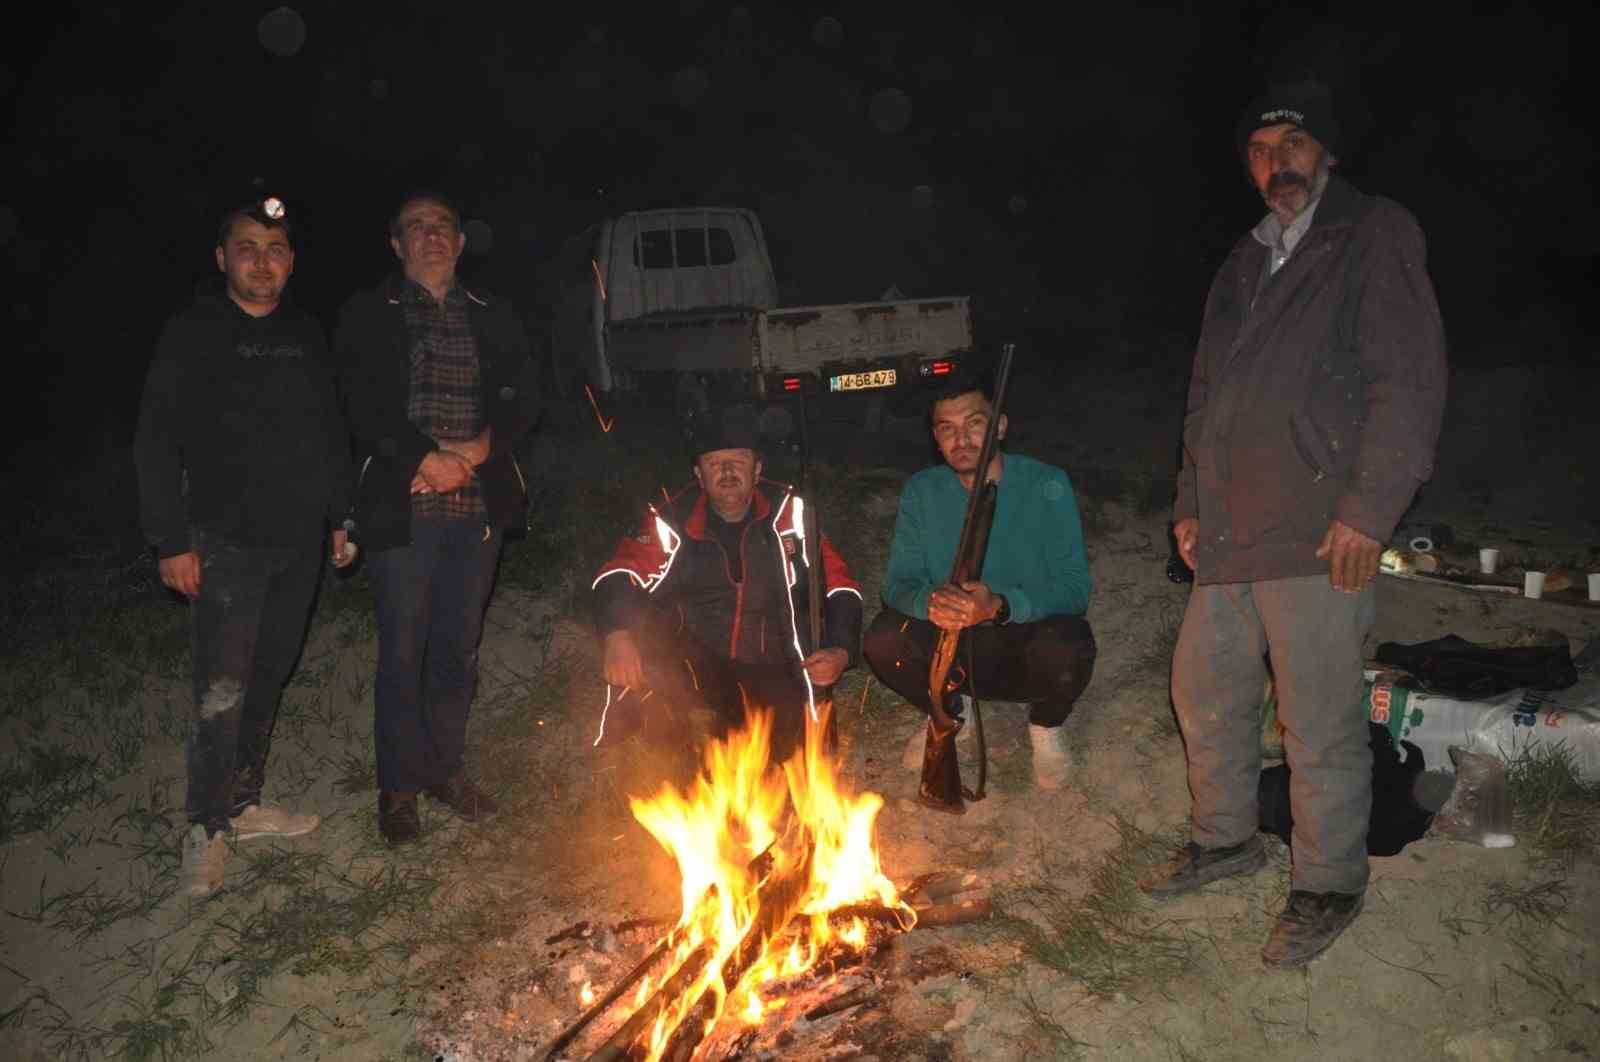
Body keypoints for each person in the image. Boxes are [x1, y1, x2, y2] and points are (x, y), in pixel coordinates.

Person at [1144, 81, 1447, 968]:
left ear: (1329, 155)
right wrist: (1189, 504)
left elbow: (1410, 383)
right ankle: (1227, 839)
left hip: (1319, 532)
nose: (1279, 162)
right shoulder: (1243, 260)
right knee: (1203, 696)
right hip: (1230, 533)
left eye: (1296, 144)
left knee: (1316, 722)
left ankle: (1326, 885)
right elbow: (1206, 395)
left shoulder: (1372, 233)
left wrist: (1367, 512)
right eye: (1263, 148)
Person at [134, 198, 352, 897]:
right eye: (248, 247)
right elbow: (156, 441)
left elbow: (330, 433)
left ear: (292, 260)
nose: (264, 260)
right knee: (221, 689)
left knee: (268, 676)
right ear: (222, 257)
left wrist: (343, 516)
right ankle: (205, 826)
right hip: (224, 543)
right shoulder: (192, 331)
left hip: (299, 542)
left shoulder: (306, 334)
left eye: (277, 247)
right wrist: (171, 540)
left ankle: (243, 801)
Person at [335, 191, 539, 845]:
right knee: (403, 649)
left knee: (458, 648)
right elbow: (360, 402)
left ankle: (444, 770)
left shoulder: (493, 314)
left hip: (476, 504)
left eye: (442, 226)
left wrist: (481, 450)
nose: (431, 236)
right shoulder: (371, 313)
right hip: (405, 503)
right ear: (397, 244)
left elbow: (524, 395)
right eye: (416, 228)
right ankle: (398, 788)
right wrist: (423, 457)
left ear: (459, 241)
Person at [862, 370, 1096, 791]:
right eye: (947, 429)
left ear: (1000, 426)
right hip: (952, 646)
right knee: (882, 638)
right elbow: (896, 584)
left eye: (975, 423)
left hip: (1021, 641)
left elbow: (1074, 589)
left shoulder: (1046, 483)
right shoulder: (922, 490)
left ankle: (1045, 726)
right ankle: (953, 710)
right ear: (935, 438)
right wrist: (931, 602)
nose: (962, 439)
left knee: (1069, 642)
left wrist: (999, 606)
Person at [591, 407, 862, 762]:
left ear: (758, 469)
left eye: (738, 460)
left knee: (783, 764)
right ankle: (669, 747)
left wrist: (840, 650)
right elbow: (618, 574)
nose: (728, 471)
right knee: (676, 752)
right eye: (715, 462)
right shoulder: (670, 519)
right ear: (699, 475)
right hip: (694, 664)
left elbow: (840, 586)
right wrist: (617, 634)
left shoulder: (791, 514)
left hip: (773, 666)